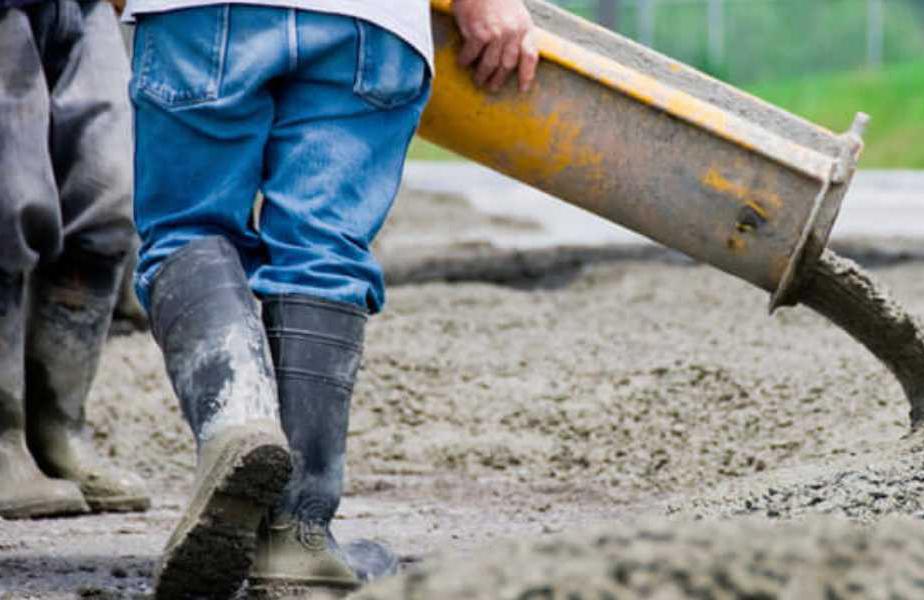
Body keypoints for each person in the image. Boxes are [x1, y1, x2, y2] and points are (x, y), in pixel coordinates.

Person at [122, 0, 538, 596]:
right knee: (322, 253)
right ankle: (297, 532)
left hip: (197, 15)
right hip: (367, 20)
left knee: (190, 231)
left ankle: (237, 423)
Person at [0, 0, 151, 519]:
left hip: (85, 7)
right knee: (9, 199)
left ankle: (59, 428)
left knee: (109, 196)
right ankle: (4, 436)